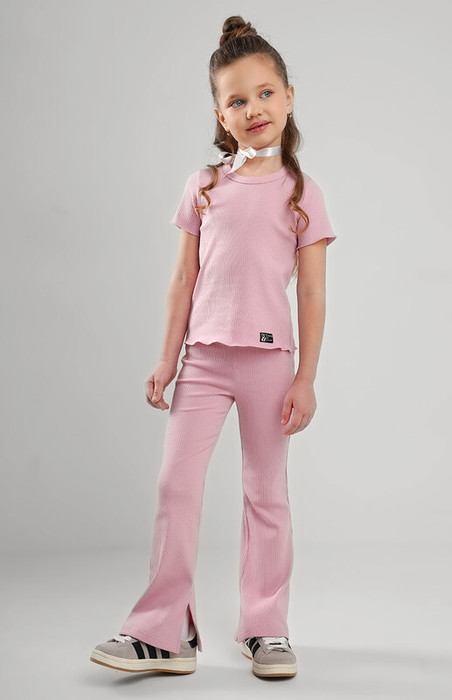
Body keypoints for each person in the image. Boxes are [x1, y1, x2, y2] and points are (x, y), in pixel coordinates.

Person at [90, 14, 336, 679]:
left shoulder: (301, 193)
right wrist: (166, 358)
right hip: (202, 360)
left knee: (266, 494)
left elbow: (313, 293)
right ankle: (163, 631)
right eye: (237, 100)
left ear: (288, 97)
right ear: (220, 115)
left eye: (265, 93)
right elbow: (182, 279)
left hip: (269, 363)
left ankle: (266, 628)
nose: (253, 109)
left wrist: (306, 377)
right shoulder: (203, 187)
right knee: (175, 485)